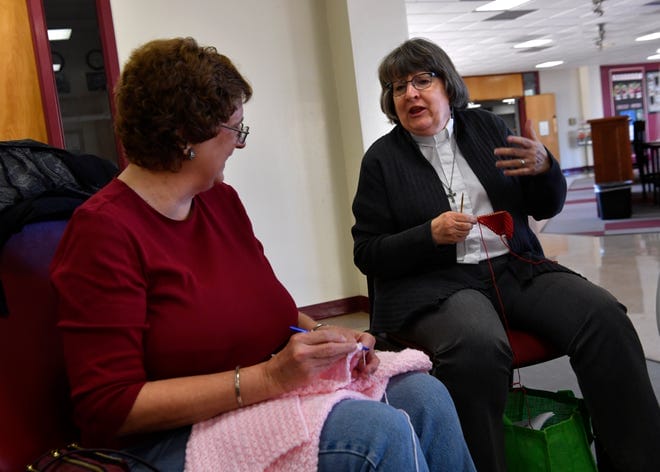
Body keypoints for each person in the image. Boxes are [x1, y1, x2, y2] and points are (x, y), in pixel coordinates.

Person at [49, 37, 476, 472]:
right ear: (184, 136)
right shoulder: (103, 232)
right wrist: (269, 378)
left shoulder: (220, 201)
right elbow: (108, 406)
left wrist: (327, 335)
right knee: (376, 435)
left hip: (258, 396)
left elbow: (274, 310)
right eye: (235, 130)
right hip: (172, 435)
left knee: (424, 395)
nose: (240, 144)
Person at [351, 37, 660, 472]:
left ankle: (638, 463)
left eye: (422, 80)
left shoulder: (488, 129)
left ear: (447, 85)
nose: (410, 94)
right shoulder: (381, 160)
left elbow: (544, 206)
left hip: (516, 268)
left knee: (605, 316)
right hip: (435, 286)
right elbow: (367, 252)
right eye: (398, 87)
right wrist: (428, 235)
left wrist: (546, 169)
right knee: (476, 346)